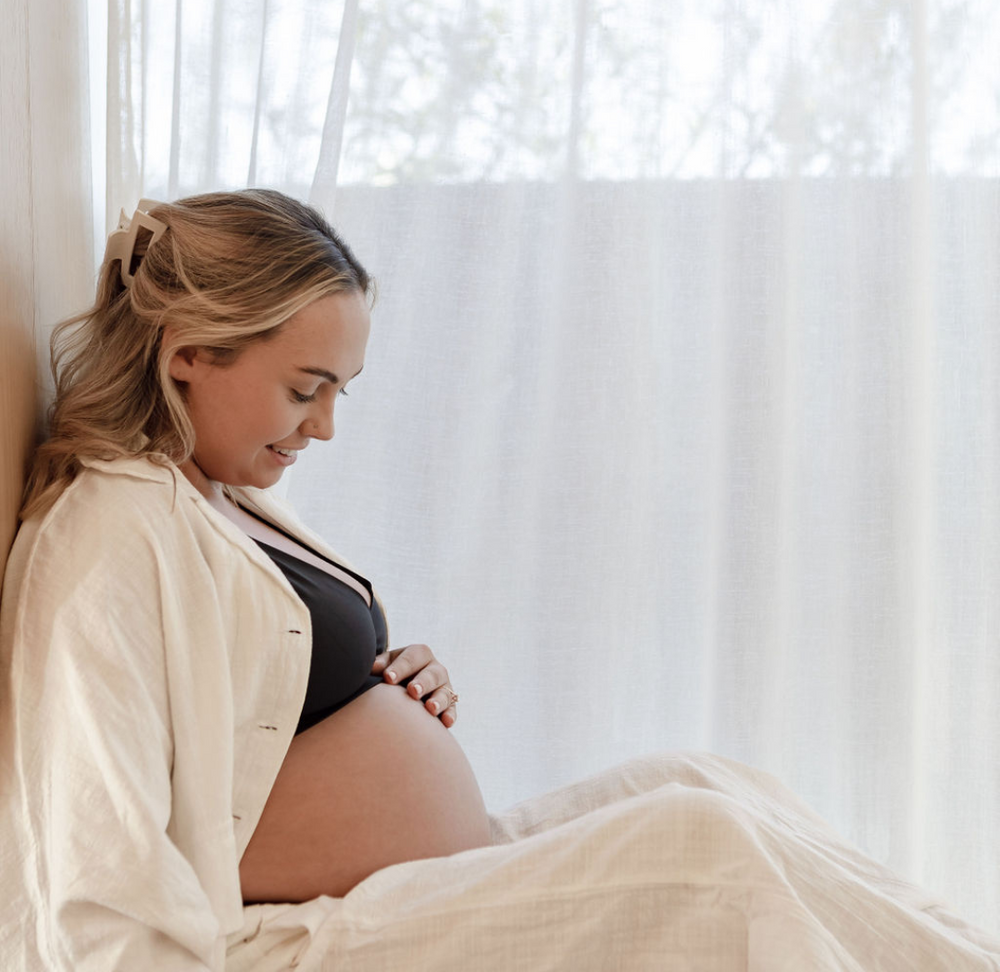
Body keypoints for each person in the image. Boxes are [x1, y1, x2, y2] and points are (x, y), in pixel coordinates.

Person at [1, 190, 997, 972]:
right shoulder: (106, 530)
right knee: (704, 846)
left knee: (699, 779)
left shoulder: (215, 495)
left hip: (409, 873)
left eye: (337, 392)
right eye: (305, 389)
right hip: (282, 941)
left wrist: (386, 681)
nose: (324, 427)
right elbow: (94, 840)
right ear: (189, 354)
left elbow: (269, 692)